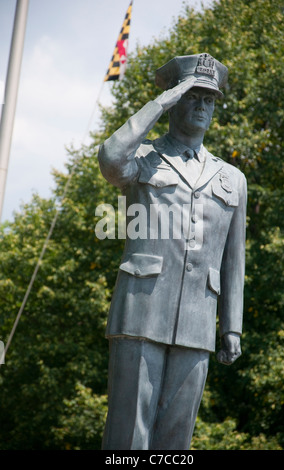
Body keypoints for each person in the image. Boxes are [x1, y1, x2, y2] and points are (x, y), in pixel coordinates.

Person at [98, 53, 247, 450]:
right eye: (192, 96)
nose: (201, 105)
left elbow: (234, 257)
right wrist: (160, 102)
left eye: (209, 99)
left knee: (175, 440)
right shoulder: (144, 158)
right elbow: (111, 159)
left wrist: (231, 326)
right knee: (129, 435)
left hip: (199, 318)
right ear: (175, 99)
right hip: (141, 311)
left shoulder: (232, 178)